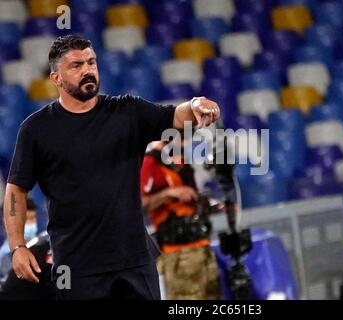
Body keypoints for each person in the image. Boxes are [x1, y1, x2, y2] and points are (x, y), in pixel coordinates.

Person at [2, 35, 220, 300]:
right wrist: (17, 247)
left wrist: (195, 104)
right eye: (76, 66)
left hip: (134, 261)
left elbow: (174, 116)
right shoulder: (36, 130)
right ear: (56, 78)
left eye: (91, 62)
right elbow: (16, 190)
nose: (87, 70)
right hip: (77, 268)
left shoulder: (127, 112)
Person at [141, 137, 222, 300]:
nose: (185, 143)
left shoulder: (181, 162)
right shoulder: (149, 162)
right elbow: (139, 205)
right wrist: (169, 193)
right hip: (178, 253)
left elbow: (189, 201)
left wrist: (210, 206)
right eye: (182, 137)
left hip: (203, 248)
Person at [0, 198, 38, 283]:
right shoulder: (6, 255)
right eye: (25, 220)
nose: (30, 224)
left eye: (33, 218)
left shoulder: (40, 246)